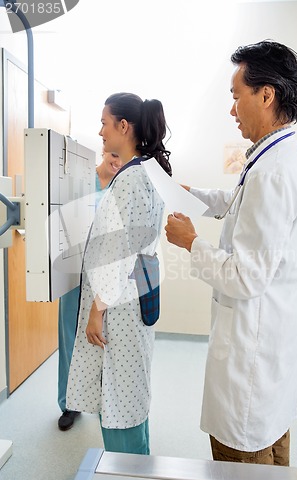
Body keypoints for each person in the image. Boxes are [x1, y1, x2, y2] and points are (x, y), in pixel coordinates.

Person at [165, 40, 297, 466]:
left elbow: (244, 277)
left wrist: (190, 241)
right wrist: (190, 195)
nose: (232, 110)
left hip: (252, 361)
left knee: (243, 471)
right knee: (273, 455)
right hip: (271, 355)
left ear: (266, 95)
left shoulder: (273, 172)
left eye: (236, 96)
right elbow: (236, 202)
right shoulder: (280, 159)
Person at [66, 92, 171, 454]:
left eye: (104, 123)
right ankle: (135, 471)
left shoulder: (128, 181)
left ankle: (126, 478)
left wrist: (97, 312)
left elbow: (119, 256)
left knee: (118, 396)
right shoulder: (147, 173)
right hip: (137, 294)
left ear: (123, 127)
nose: (100, 132)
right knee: (131, 390)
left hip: (119, 305)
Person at [58, 150, 123, 431]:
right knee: (69, 337)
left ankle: (100, 401)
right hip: (75, 272)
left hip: (106, 276)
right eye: (113, 155)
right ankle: (68, 404)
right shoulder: (82, 182)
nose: (116, 161)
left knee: (102, 339)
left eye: (121, 157)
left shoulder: (122, 186)